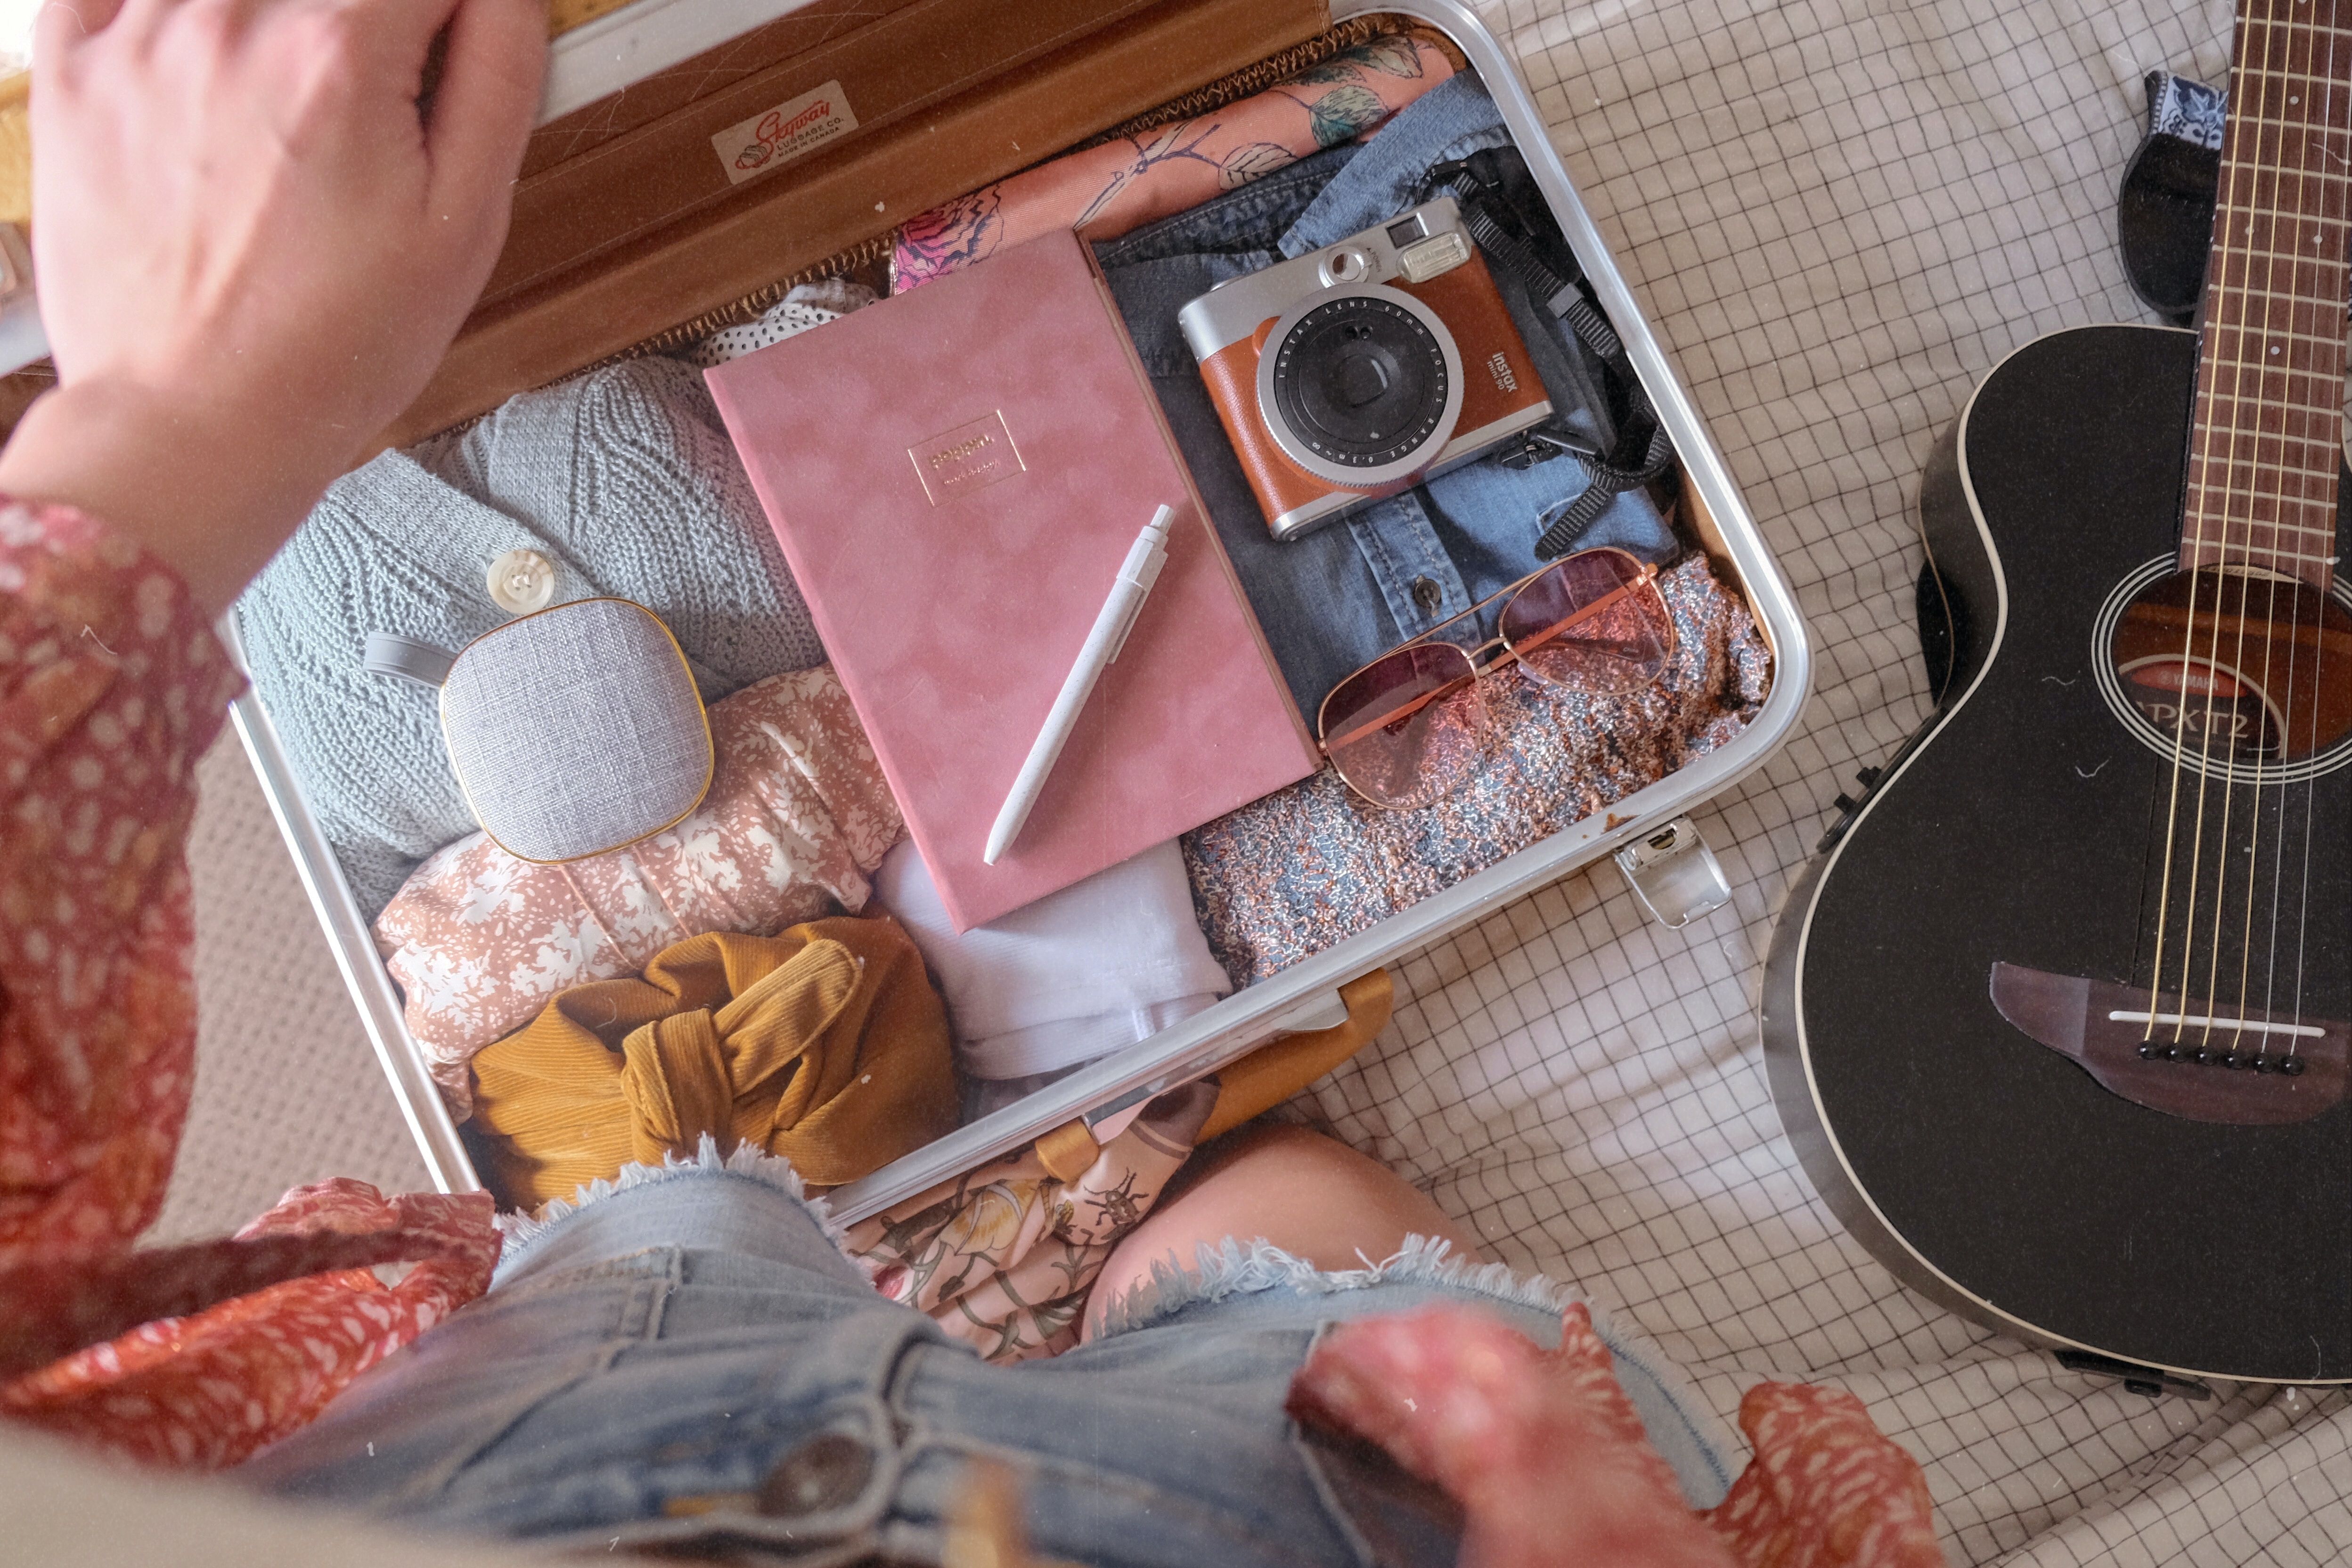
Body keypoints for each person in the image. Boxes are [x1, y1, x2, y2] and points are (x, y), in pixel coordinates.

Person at [0, 1, 1942, 1564]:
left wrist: (182, 422)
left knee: (1252, 1239)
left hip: (800, 1355)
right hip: (1288, 1452)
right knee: (1276, 1249)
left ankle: (1205, 1222)